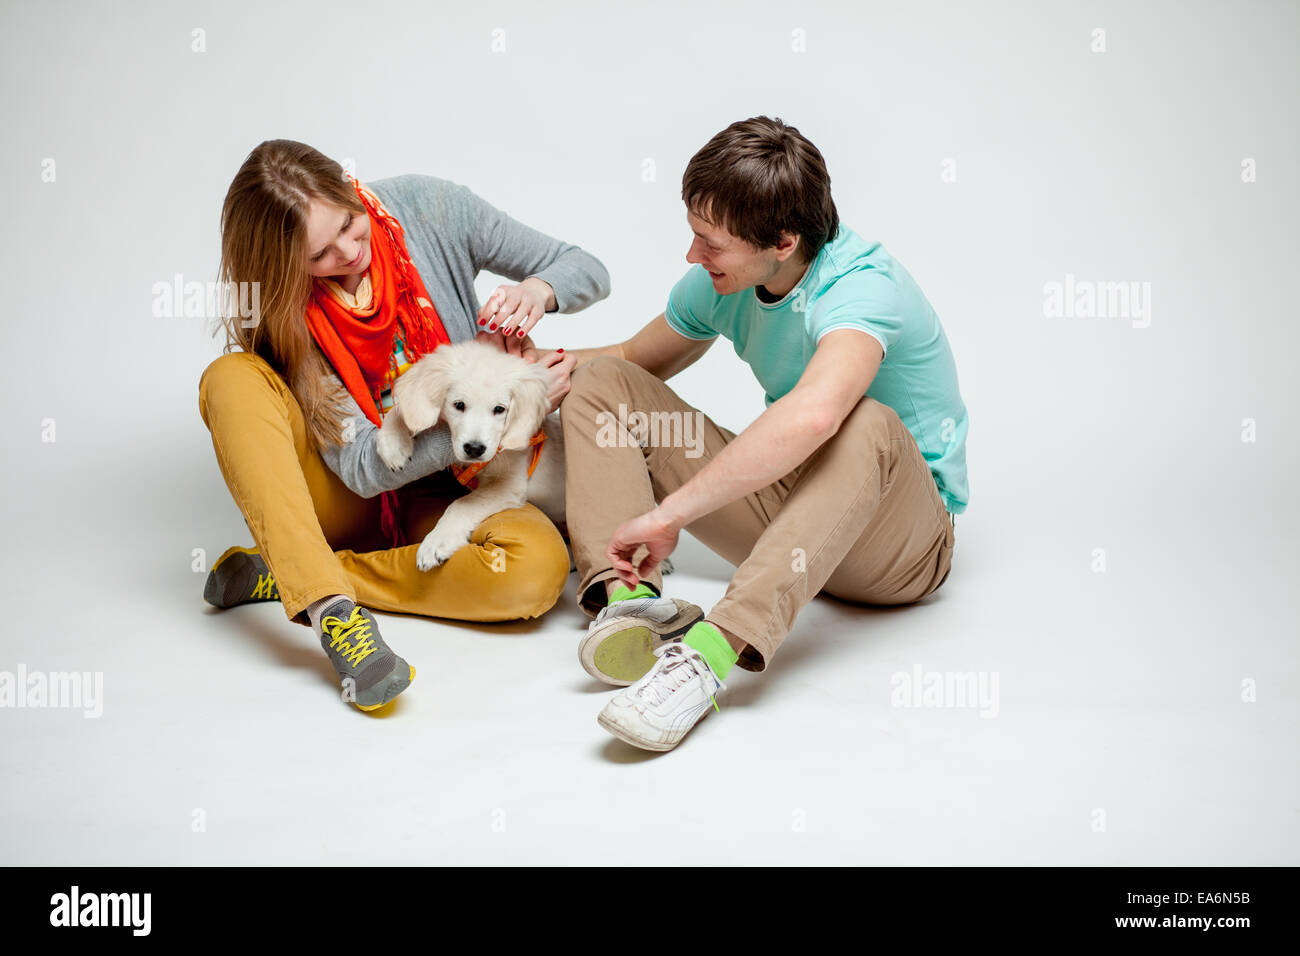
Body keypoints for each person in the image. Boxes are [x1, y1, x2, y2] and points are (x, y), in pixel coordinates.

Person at [561, 116, 970, 752]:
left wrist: (672, 513)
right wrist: (538, 362)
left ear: (781, 240)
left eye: (710, 244)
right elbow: (633, 355)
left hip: (899, 548)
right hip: (794, 524)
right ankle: (632, 600)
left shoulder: (860, 288)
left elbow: (815, 415)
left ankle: (706, 658)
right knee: (605, 382)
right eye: (694, 236)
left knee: (865, 418)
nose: (692, 256)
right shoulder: (727, 280)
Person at [198, 139, 608, 712]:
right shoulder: (286, 308)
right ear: (286, 265)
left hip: (458, 489)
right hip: (351, 489)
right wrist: (477, 426)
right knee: (231, 378)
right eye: (319, 255)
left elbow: (588, 268)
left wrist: (537, 292)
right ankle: (331, 611)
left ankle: (298, 573)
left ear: (347, 184)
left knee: (536, 571)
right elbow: (364, 468)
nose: (348, 251)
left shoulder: (430, 207)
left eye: (348, 221)